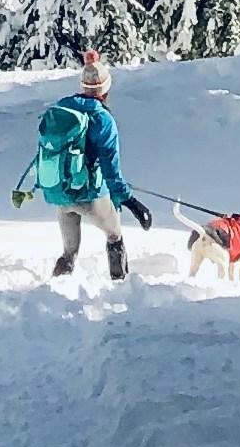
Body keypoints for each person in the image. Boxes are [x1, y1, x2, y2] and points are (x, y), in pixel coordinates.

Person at [13, 51, 155, 281]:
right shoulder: (103, 119)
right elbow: (111, 169)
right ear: (105, 89)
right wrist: (132, 202)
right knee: (114, 235)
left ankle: (53, 290)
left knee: (69, 251)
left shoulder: (61, 108)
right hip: (90, 195)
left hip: (59, 191)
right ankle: (121, 288)